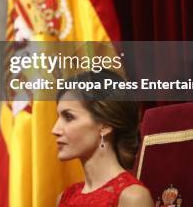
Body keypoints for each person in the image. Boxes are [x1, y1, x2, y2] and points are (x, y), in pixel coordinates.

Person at [52, 70, 153, 207]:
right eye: (58, 117)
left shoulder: (132, 198)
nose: (55, 130)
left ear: (105, 125)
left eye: (69, 117)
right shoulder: (65, 198)